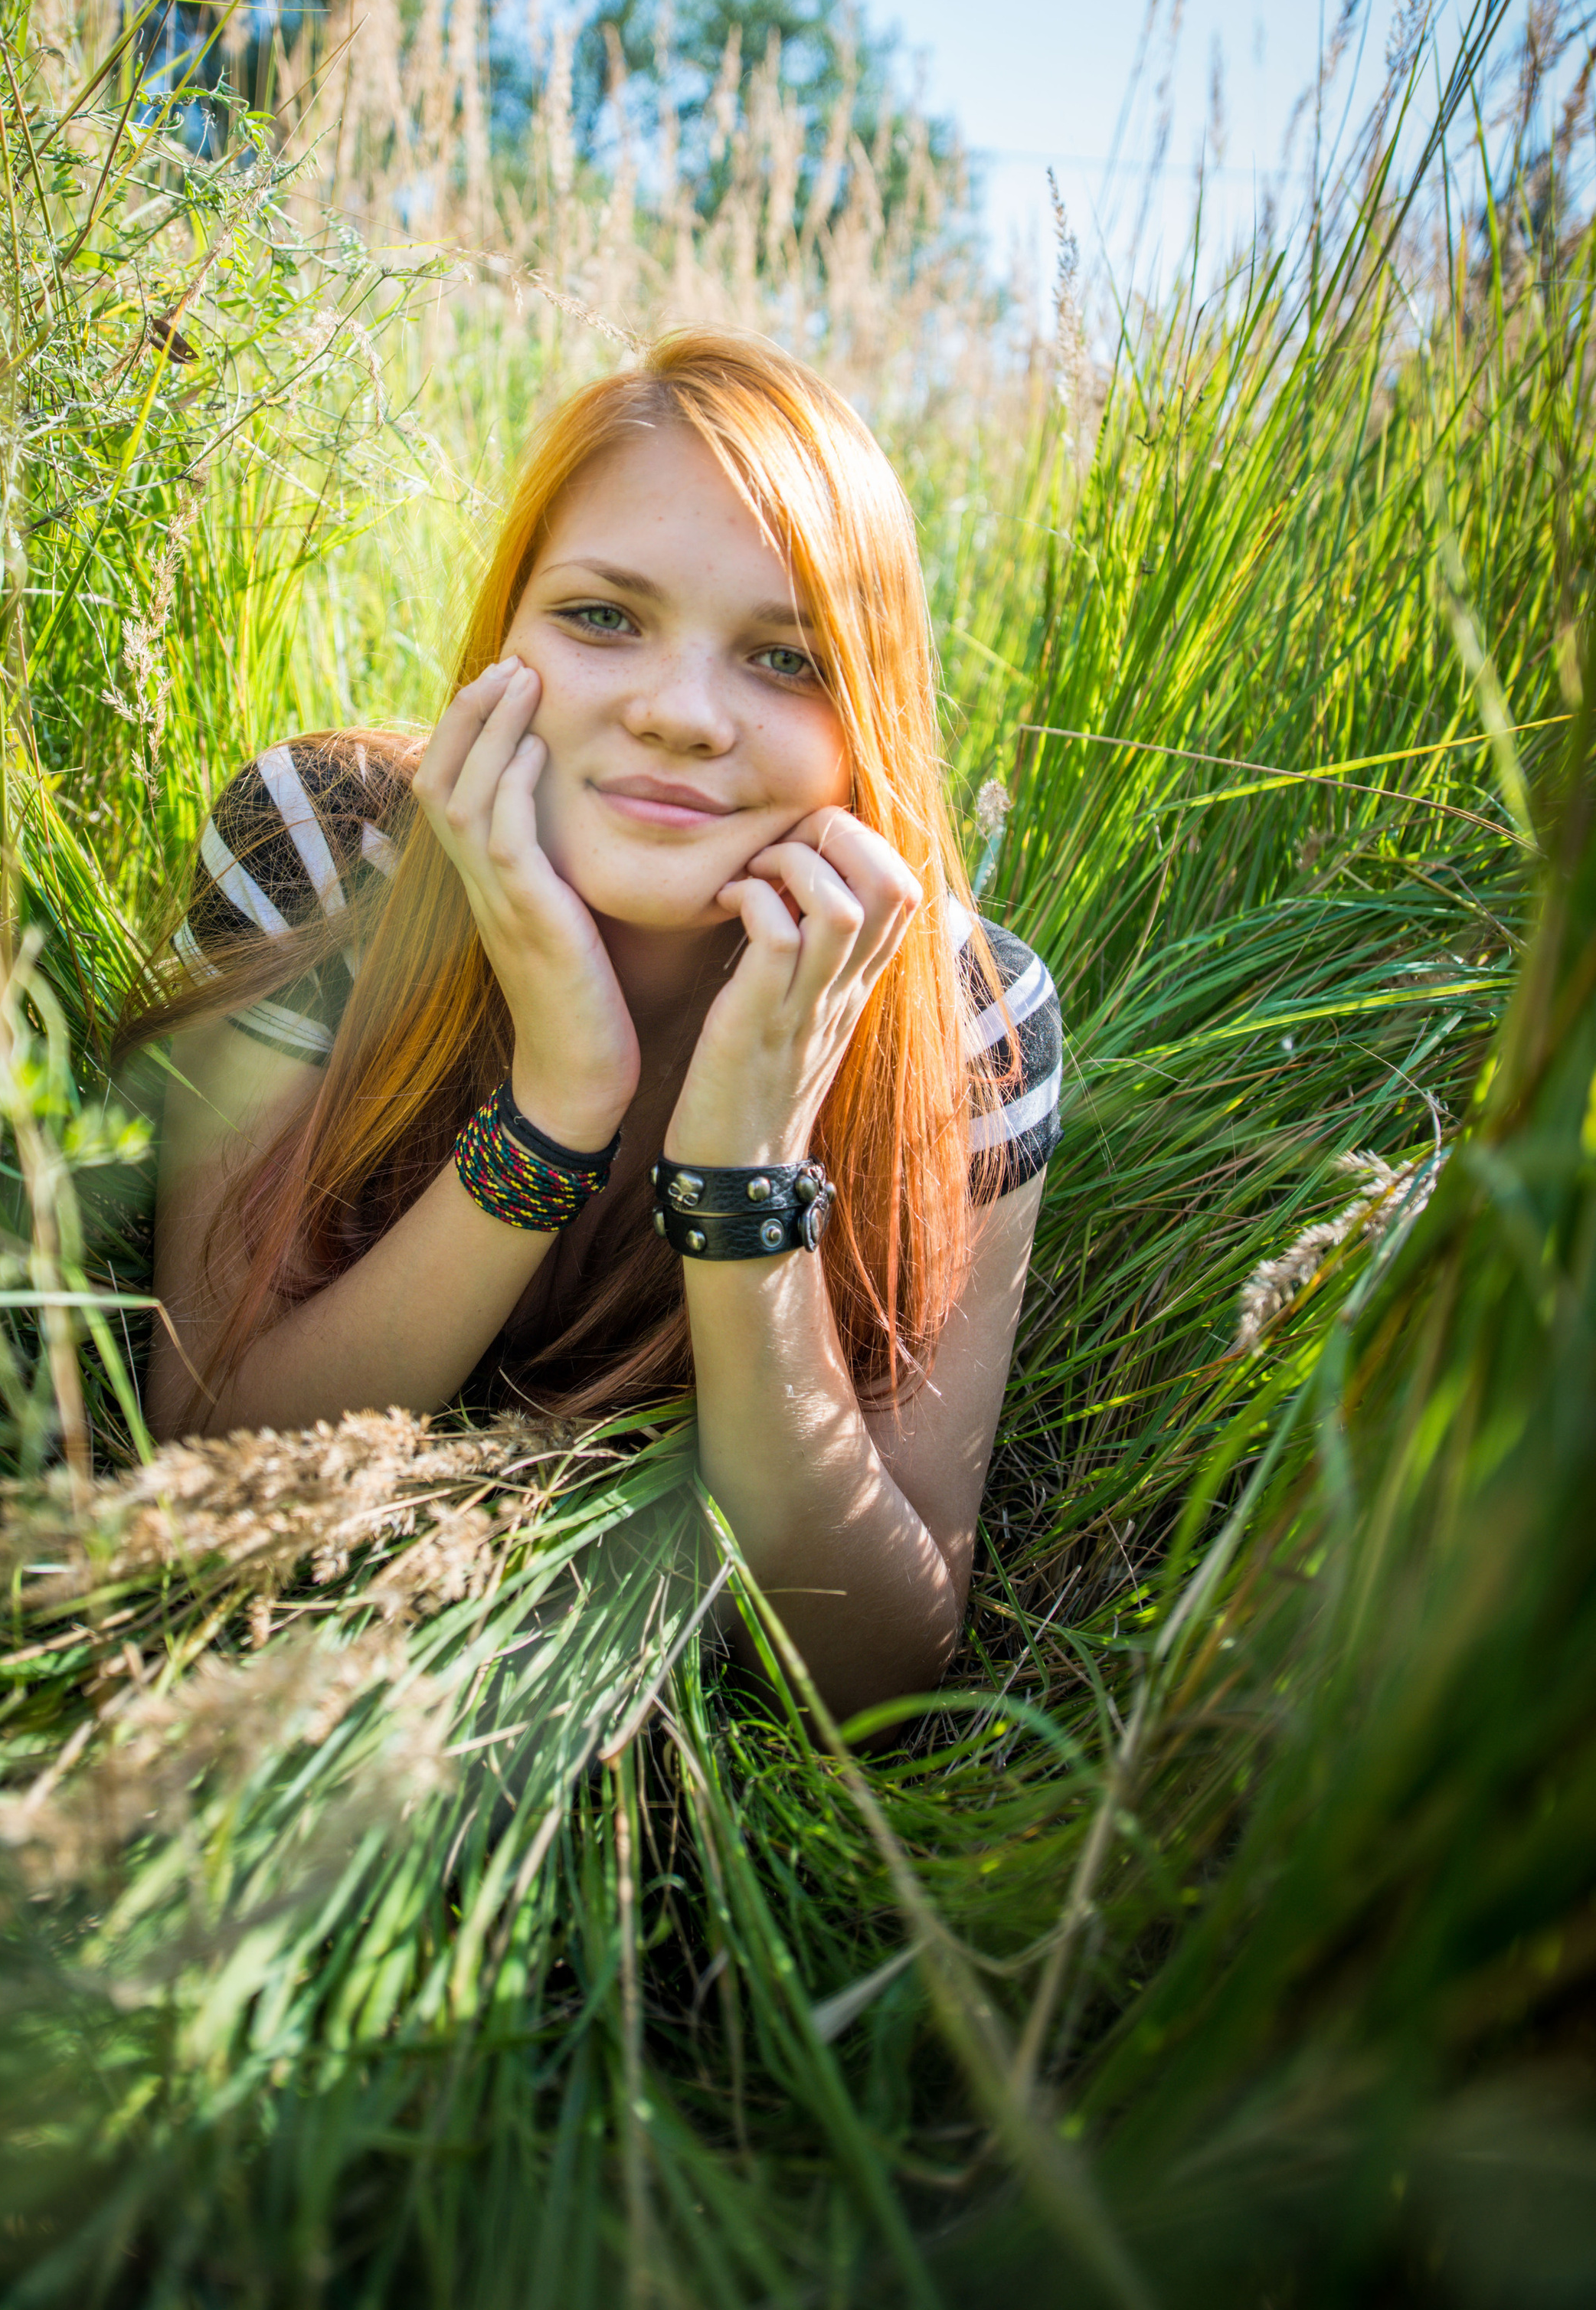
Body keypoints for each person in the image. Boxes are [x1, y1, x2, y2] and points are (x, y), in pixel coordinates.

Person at [123, 332, 1060, 1710]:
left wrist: (744, 1176)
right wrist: (560, 1100)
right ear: (503, 633)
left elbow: (878, 1669)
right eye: (602, 616)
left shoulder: (965, 1024)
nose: (680, 713)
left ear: (875, 717)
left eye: (787, 658)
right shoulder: (329, 855)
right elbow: (205, 1467)